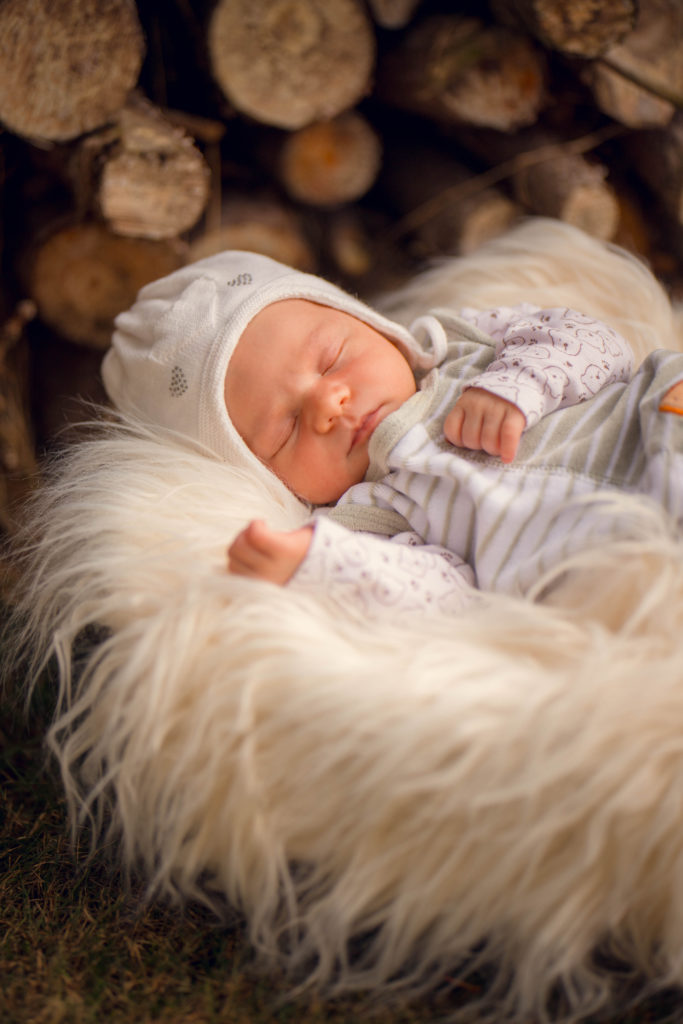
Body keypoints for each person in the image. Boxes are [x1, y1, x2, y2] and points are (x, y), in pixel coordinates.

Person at [102, 241, 683, 620]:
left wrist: (520, 383)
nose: (329, 401)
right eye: (282, 432)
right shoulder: (369, 518)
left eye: (331, 358)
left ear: (371, 324)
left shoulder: (464, 346)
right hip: (624, 567)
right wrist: (321, 563)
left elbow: (603, 346)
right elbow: (444, 597)